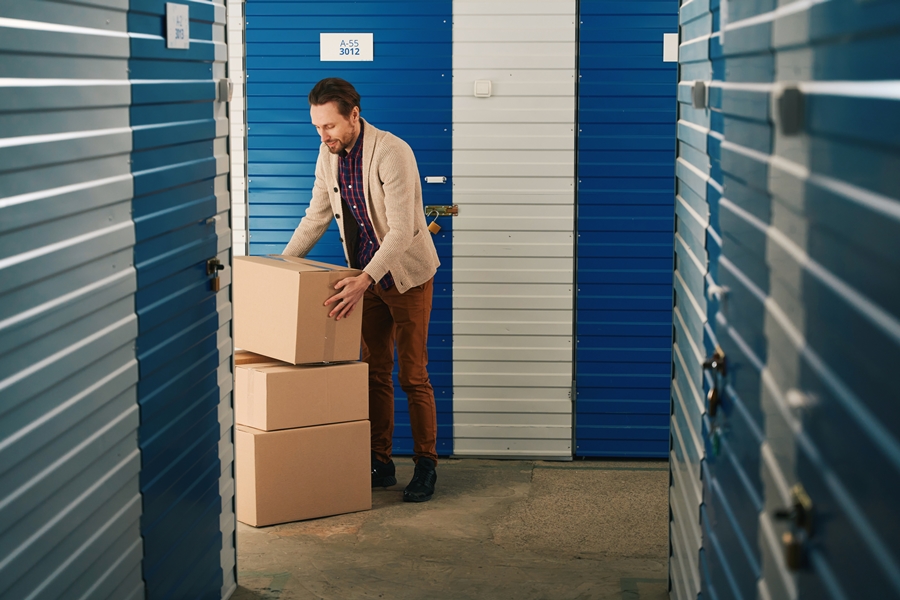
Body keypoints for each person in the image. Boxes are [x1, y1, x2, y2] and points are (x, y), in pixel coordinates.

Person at [282, 77, 441, 502]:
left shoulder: (392, 152)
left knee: (413, 375)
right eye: (317, 127)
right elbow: (316, 216)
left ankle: (426, 465)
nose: (323, 135)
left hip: (405, 277)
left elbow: (404, 230)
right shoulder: (327, 154)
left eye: (330, 126)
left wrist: (365, 280)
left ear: (354, 114)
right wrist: (280, 266)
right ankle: (381, 462)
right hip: (363, 278)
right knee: (373, 371)